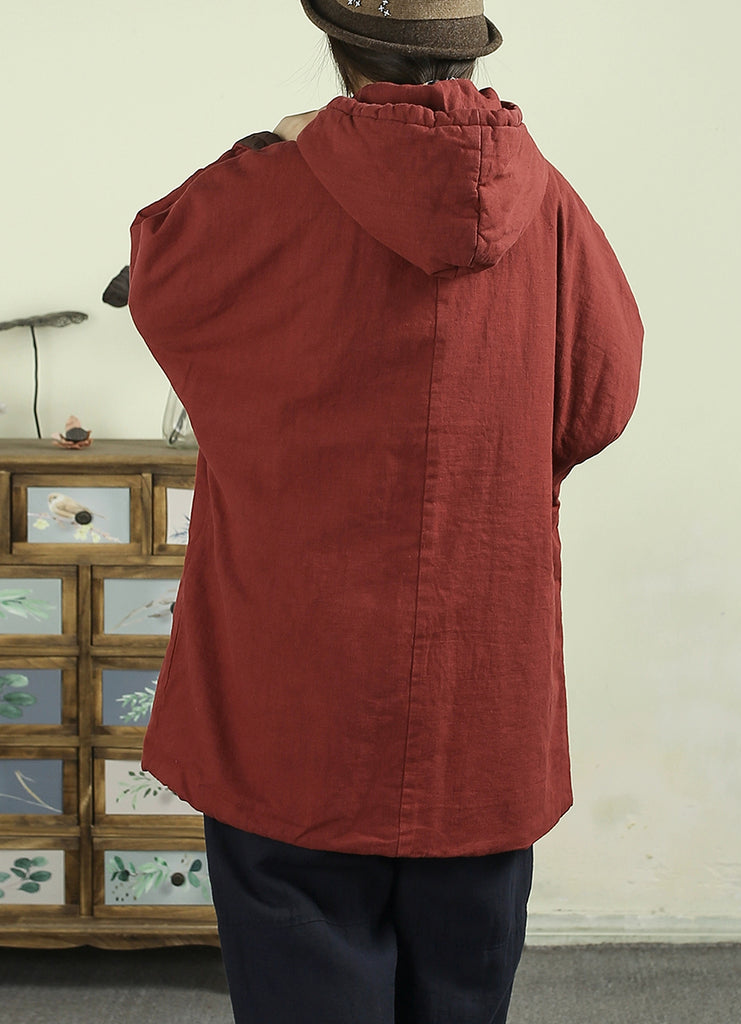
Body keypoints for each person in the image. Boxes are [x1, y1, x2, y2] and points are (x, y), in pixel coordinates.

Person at [128, 2, 643, 1021]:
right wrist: (490, 470)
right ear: (467, 49)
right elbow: (601, 394)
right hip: (477, 697)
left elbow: (160, 274)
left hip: (292, 693)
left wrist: (268, 144)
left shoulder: (268, 187)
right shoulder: (547, 200)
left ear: (338, 41)